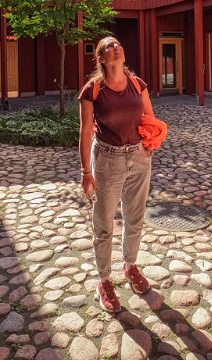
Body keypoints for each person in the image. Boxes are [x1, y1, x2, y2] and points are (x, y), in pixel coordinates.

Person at [78, 36, 155, 313]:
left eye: (118, 44)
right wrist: (86, 171)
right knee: (104, 224)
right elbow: (86, 131)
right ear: (101, 58)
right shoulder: (93, 90)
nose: (116, 47)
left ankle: (130, 266)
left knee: (135, 217)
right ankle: (104, 281)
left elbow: (149, 120)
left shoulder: (138, 84)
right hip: (107, 160)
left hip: (138, 156)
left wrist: (149, 146)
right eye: (109, 46)